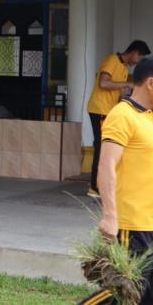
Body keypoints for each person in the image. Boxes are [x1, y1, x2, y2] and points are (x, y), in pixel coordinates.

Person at [82, 57, 153, 304]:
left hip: (151, 223)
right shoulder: (122, 115)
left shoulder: (150, 118)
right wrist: (110, 216)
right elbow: (106, 165)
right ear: (151, 84)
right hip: (132, 226)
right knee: (125, 293)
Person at [86, 40, 150, 197]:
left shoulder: (123, 67)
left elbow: (118, 89)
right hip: (100, 109)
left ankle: (104, 185)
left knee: (110, 147)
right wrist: (126, 84)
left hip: (108, 111)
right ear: (134, 52)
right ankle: (95, 187)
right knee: (102, 148)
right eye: (140, 57)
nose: (138, 61)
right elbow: (103, 83)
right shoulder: (112, 61)